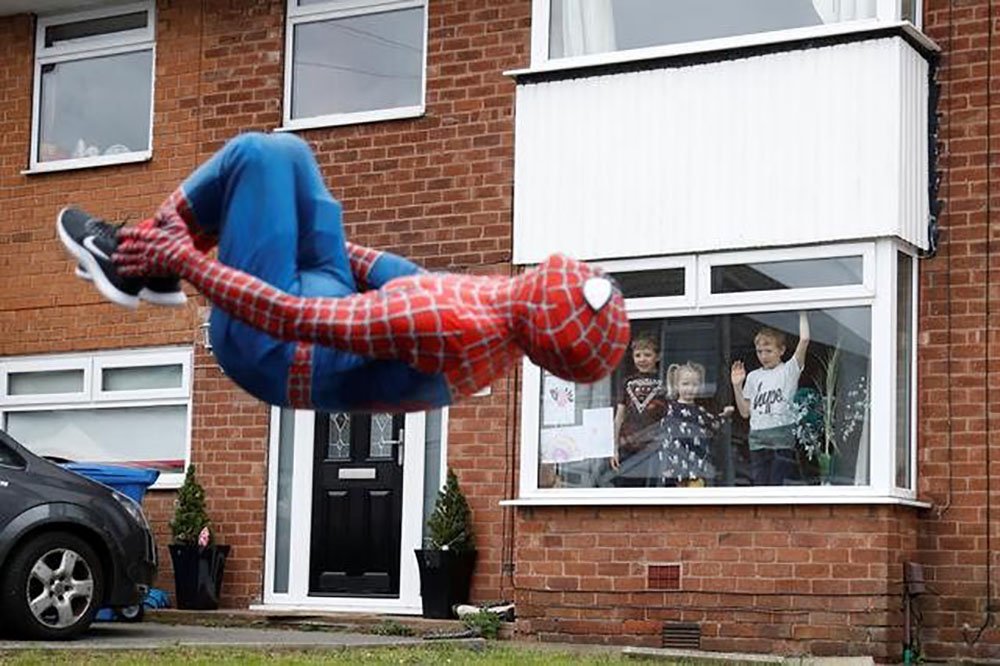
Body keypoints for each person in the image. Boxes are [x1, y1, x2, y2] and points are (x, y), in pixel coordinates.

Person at [56, 132, 630, 413]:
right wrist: (298, 226)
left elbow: (289, 316)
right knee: (290, 156)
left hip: (268, 350)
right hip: (318, 305)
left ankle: (135, 261)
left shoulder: (449, 325)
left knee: (256, 157)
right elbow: (401, 274)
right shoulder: (507, 316)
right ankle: (144, 263)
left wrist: (188, 262)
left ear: (549, 293)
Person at [730, 312, 810, 486]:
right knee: (760, 486)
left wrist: (803, 311)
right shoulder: (753, 376)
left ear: (781, 350)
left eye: (768, 351)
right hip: (758, 438)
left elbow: (804, 340)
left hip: (781, 436)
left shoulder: (789, 370)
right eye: (760, 351)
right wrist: (737, 385)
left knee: (777, 485)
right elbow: (745, 412)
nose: (763, 356)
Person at [659, 361, 734, 487]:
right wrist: (666, 466)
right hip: (676, 468)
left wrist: (724, 416)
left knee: (696, 499)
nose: (690, 388)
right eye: (685, 384)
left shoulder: (700, 411)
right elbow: (665, 440)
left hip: (698, 467)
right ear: (677, 385)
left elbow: (713, 424)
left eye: (694, 384)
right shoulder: (670, 410)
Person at [611, 333, 668, 487]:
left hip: (654, 446)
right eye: (638, 355)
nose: (642, 359)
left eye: (647, 355)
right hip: (628, 445)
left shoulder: (664, 382)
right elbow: (619, 416)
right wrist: (614, 447)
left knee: (651, 490)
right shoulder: (627, 382)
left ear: (657, 357)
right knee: (627, 489)